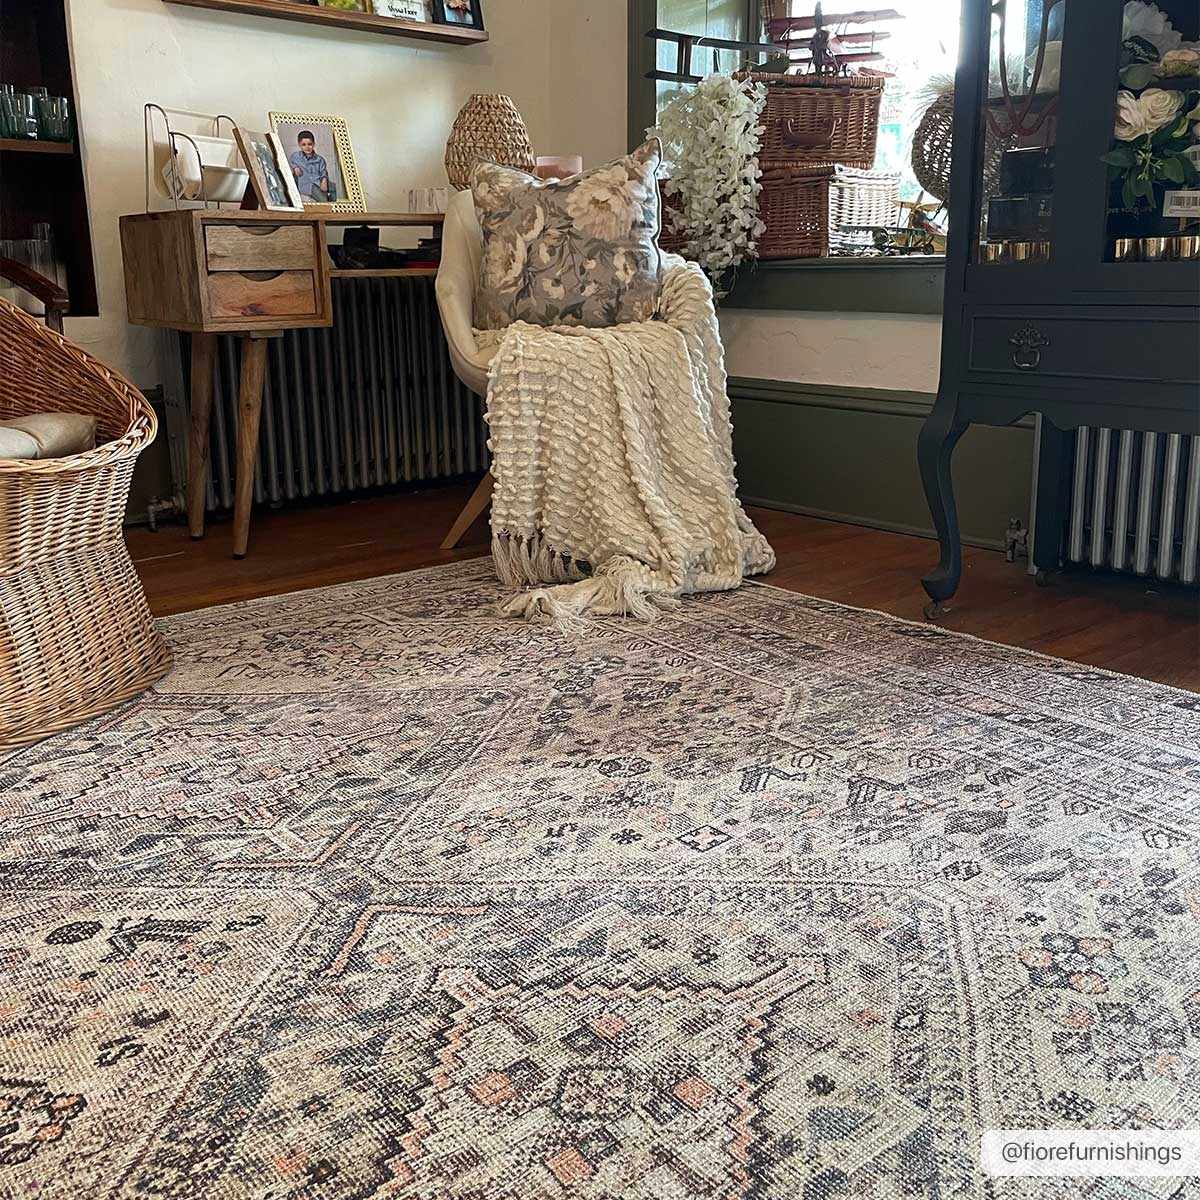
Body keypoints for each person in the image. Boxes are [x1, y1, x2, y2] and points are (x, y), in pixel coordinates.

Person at [288, 130, 336, 203]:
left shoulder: (320, 159)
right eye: (304, 145)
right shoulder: (296, 156)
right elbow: (291, 162)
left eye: (310, 144)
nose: (307, 147)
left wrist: (324, 180)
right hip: (308, 185)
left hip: (318, 181)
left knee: (335, 189)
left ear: (314, 144)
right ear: (299, 145)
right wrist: (295, 168)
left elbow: (323, 172)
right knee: (323, 200)